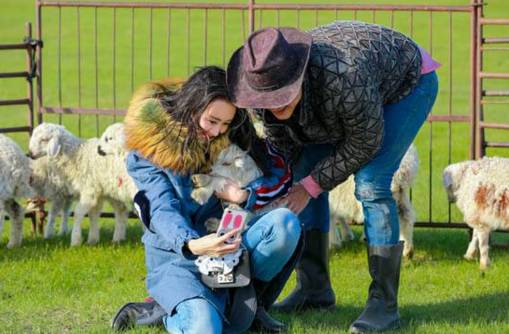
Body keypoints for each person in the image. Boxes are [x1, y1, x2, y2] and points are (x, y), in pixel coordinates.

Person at [226, 21, 440, 333]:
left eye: (283, 94)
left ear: (297, 74)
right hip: (342, 96)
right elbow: (283, 144)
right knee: (301, 176)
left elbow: (364, 142)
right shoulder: (260, 94)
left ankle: (384, 304)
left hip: (406, 83)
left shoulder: (345, 77)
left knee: (372, 184)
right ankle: (314, 290)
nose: (276, 104)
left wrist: (311, 186)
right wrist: (277, 186)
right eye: (269, 99)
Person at [111, 66, 302, 333]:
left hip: (226, 249)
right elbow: (161, 209)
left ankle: (250, 307)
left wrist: (244, 194)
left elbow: (276, 171)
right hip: (180, 259)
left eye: (225, 124)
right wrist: (192, 244)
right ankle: (163, 309)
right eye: (212, 121)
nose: (217, 131)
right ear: (192, 107)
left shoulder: (225, 134)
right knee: (204, 328)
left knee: (285, 224)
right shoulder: (147, 152)